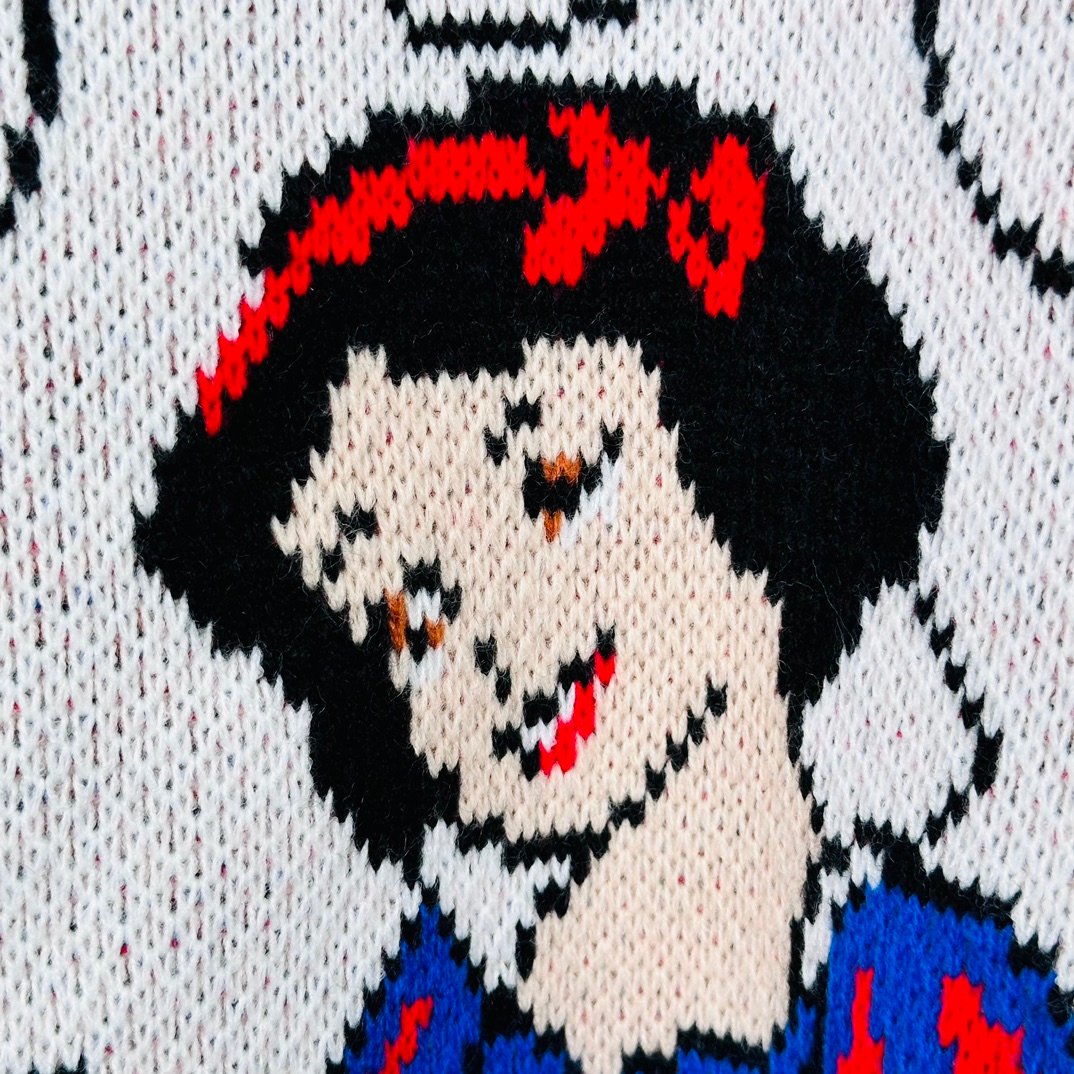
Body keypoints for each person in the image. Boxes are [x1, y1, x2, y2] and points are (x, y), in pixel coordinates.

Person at [137, 79, 1072, 1073]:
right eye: (411, 618)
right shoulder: (424, 1045)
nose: (503, 651)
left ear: (753, 426)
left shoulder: (963, 1012)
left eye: (557, 485)